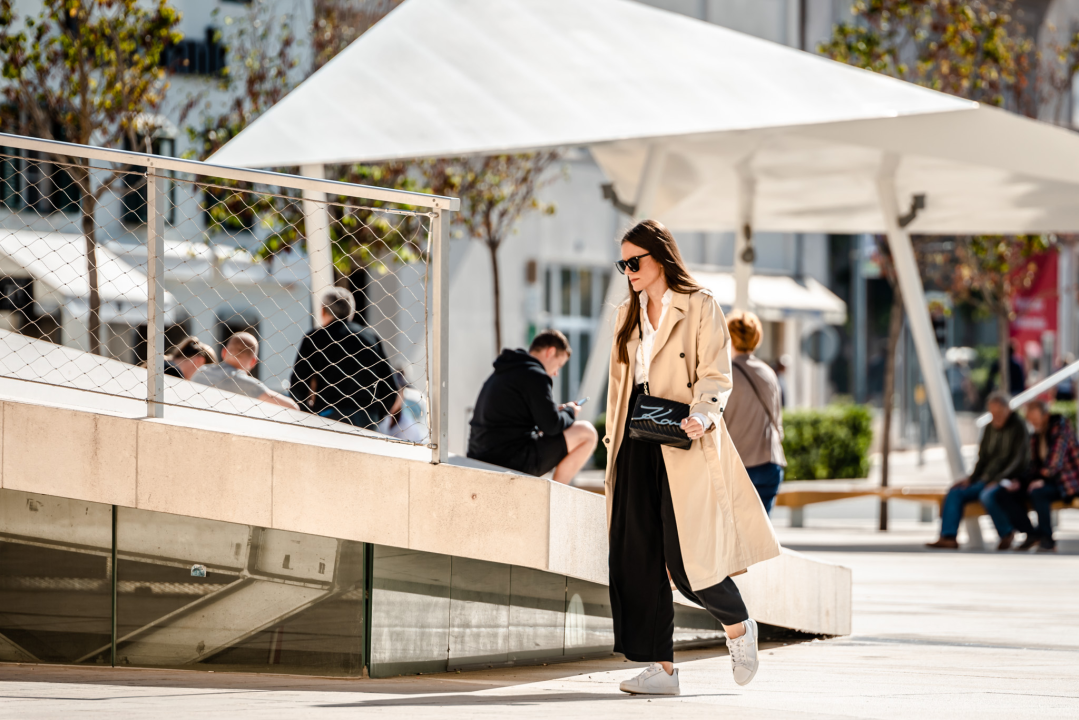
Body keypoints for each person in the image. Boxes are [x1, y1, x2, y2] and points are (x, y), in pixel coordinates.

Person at [604, 219, 780, 696]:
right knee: (636, 557)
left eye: (634, 261)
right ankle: (661, 670)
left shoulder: (699, 305)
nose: (629, 270)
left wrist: (703, 416)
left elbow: (715, 375)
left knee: (687, 564)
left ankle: (739, 627)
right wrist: (612, 444)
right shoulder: (627, 312)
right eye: (623, 263)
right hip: (635, 443)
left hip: (684, 439)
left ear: (659, 257)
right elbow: (620, 387)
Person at [467, 329, 598, 483]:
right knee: (587, 433)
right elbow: (552, 426)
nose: (556, 373)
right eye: (559, 365)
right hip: (507, 460)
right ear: (550, 352)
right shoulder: (536, 375)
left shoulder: (506, 370)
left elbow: (514, 420)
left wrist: (553, 411)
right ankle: (557, 499)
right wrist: (570, 410)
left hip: (480, 455)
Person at [926, 391, 1029, 550]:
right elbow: (982, 458)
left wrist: (998, 480)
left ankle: (1006, 533)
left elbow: (1019, 460)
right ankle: (948, 536)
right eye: (992, 413)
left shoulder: (1019, 427)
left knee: (987, 496)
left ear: (1008, 410)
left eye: (999, 413)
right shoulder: (990, 428)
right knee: (955, 492)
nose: (996, 417)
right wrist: (971, 478)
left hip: (1007, 480)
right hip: (984, 479)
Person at [289, 288, 399, 430]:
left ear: (323, 311)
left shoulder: (315, 338)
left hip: (329, 415)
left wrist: (310, 413)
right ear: (351, 312)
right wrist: (375, 415)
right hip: (366, 418)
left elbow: (298, 384)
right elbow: (391, 388)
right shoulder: (370, 338)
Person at [724, 310, 786, 514]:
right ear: (756, 338)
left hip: (736, 467)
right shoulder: (769, 374)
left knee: (733, 537)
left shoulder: (723, 375)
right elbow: (778, 421)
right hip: (769, 463)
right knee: (761, 538)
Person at [1011, 401, 1079, 552]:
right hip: (1049, 480)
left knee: (1038, 493)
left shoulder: (1061, 428)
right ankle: (1032, 534)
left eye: (1035, 420)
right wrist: (1020, 481)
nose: (1033, 424)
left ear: (1046, 415)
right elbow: (1033, 465)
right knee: (1009, 493)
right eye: (1030, 421)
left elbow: (1055, 463)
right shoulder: (1037, 433)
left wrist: (1041, 480)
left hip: (1068, 482)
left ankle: (1047, 540)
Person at [192, 332, 299, 410]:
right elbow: (293, 408)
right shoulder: (245, 384)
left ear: (223, 352)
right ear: (253, 362)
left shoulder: (200, 372)